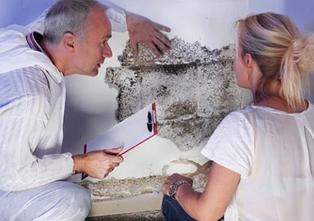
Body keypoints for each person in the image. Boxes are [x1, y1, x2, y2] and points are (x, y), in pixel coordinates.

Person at [0, 0, 171, 220]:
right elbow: (11, 175)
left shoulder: (24, 37)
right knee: (71, 201)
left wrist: (129, 22)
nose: (108, 53)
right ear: (70, 43)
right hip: (5, 178)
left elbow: (70, 10)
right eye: (103, 42)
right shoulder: (31, 97)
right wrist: (80, 163)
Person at [162, 12, 314, 221]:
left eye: (236, 52)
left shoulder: (242, 126)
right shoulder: (310, 113)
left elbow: (207, 213)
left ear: (248, 61)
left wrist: (178, 187)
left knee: (171, 200)